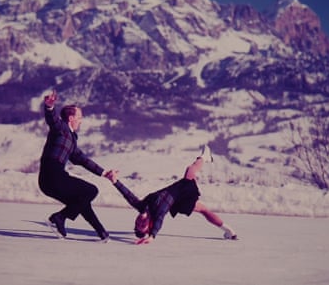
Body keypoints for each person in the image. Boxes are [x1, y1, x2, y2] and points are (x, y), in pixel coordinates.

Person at [104, 145, 238, 245]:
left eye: (137, 223)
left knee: (203, 210)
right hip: (182, 194)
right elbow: (159, 220)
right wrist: (152, 236)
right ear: (149, 224)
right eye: (142, 225)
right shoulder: (157, 213)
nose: (140, 221)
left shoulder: (141, 206)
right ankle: (204, 157)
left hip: (176, 197)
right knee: (190, 171)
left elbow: (128, 196)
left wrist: (115, 181)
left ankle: (229, 232)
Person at [38, 90, 113, 242]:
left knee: (81, 201)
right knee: (91, 191)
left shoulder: (71, 139)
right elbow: (53, 120)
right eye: (79, 117)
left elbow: (82, 160)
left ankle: (102, 233)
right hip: (52, 175)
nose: (81, 120)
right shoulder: (61, 128)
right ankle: (58, 217)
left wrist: (104, 173)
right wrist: (49, 107)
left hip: (51, 180)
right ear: (71, 118)